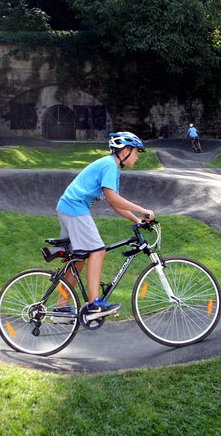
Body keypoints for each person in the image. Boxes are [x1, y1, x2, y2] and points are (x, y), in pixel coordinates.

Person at [55, 131, 155, 320]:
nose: (136, 157)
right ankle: (94, 304)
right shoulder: (110, 165)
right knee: (98, 250)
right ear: (125, 150)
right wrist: (143, 210)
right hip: (75, 207)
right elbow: (112, 198)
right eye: (136, 152)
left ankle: (61, 309)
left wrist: (137, 220)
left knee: (78, 259)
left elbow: (114, 203)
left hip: (66, 207)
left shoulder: (111, 167)